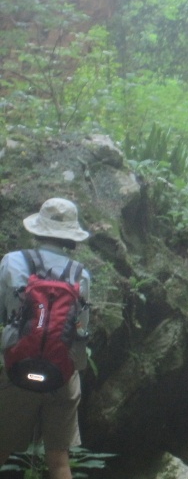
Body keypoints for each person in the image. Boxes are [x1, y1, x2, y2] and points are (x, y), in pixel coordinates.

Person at [0, 198, 92, 479]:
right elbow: (81, 330)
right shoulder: (81, 274)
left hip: (16, 368)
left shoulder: (13, 261)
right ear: (70, 237)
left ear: (37, 229)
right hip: (61, 373)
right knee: (59, 460)